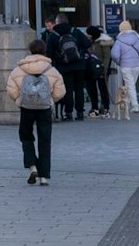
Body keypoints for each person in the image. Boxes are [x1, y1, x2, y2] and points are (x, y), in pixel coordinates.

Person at [10, 38, 67, 185]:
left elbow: (11, 89)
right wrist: (50, 100)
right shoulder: (51, 70)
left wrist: (19, 100)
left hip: (26, 108)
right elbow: (60, 91)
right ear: (44, 51)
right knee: (45, 141)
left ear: (30, 51)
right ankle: (43, 177)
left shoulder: (19, 69)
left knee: (26, 137)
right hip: (44, 109)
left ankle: (32, 166)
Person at [44, 15, 93, 122]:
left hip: (63, 66)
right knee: (79, 89)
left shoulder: (54, 35)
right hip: (79, 65)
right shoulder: (75, 31)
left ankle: (68, 113)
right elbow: (87, 43)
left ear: (57, 22)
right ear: (67, 21)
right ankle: (80, 112)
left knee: (67, 90)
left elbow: (49, 53)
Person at [110, 20, 139, 119]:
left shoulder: (119, 41)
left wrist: (119, 62)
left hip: (125, 66)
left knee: (130, 86)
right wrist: (138, 60)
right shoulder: (137, 39)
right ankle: (126, 103)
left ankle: (135, 106)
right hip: (136, 66)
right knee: (130, 85)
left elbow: (114, 55)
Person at [81, 26, 112, 118]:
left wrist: (104, 69)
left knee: (103, 89)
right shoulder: (88, 42)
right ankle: (94, 108)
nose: (87, 35)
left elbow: (107, 57)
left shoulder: (104, 41)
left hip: (100, 68)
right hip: (90, 68)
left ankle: (105, 108)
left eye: (88, 34)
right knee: (91, 89)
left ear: (92, 35)